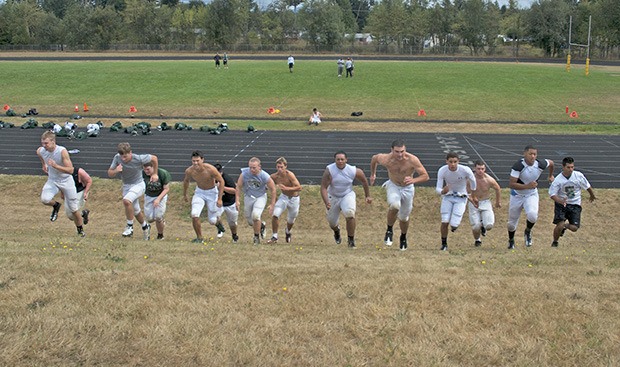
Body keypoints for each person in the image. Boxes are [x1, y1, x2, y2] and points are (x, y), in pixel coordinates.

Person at [370, 139, 429, 251]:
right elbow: (374, 159)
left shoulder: (412, 160)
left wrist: (413, 180)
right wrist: (373, 174)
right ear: (391, 150)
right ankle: (389, 229)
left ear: (405, 149)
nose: (400, 154)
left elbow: (425, 176)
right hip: (393, 185)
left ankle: (403, 236)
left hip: (408, 188)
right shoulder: (386, 159)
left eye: (402, 151)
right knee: (394, 205)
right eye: (397, 152)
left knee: (404, 218)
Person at [37, 131, 86, 237]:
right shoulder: (41, 151)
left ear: (53, 142)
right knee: (44, 199)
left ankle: (80, 230)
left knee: (73, 209)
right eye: (42, 143)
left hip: (66, 181)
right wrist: (43, 164)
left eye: (46, 143)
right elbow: (39, 153)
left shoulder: (62, 151)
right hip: (53, 180)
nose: (44, 146)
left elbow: (71, 170)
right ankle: (56, 205)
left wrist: (56, 166)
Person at [321, 151, 372, 248]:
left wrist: (367, 196)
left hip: (347, 194)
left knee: (350, 214)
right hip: (333, 196)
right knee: (332, 223)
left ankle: (351, 240)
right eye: (338, 159)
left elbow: (364, 181)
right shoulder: (329, 170)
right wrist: (326, 201)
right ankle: (336, 231)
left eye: (342, 159)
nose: (340, 161)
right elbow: (323, 187)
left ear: (346, 160)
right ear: (335, 160)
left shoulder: (353, 170)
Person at [507, 145, 554, 249]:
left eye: (535, 154)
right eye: (530, 154)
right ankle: (511, 240)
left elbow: (551, 163)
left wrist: (550, 175)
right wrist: (526, 186)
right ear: (524, 154)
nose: (532, 156)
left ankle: (527, 231)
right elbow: (511, 184)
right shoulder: (518, 166)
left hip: (531, 194)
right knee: (511, 223)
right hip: (517, 195)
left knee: (533, 216)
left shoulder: (540, 164)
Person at [108, 142, 158, 240]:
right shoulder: (117, 158)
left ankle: (129, 226)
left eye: (125, 156)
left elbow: (154, 158)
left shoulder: (138, 158)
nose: (123, 159)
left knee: (126, 201)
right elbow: (110, 173)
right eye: (122, 156)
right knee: (135, 211)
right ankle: (145, 226)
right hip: (127, 185)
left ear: (130, 152)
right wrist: (116, 171)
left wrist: (155, 174)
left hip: (138, 184)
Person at [549, 157, 596, 247]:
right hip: (561, 205)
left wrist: (592, 195)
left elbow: (587, 186)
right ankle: (555, 242)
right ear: (563, 167)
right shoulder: (558, 180)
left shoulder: (578, 176)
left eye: (572, 167)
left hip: (575, 204)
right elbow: (552, 194)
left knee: (574, 228)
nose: (571, 169)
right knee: (560, 224)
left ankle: (565, 227)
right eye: (568, 167)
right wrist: (560, 201)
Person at [436, 152, 477, 251]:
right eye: (450, 162)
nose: (453, 164)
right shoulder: (442, 170)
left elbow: (473, 181)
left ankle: (454, 226)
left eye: (455, 162)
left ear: (458, 161)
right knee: (445, 220)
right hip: (448, 197)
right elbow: (438, 188)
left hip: (461, 197)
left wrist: (472, 194)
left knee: (454, 223)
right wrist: (442, 191)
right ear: (447, 161)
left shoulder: (465, 170)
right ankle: (444, 243)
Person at [182, 151, 225, 243]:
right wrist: (185, 194)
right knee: (194, 214)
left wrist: (220, 198)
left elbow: (221, 181)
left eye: (197, 161)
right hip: (199, 192)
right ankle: (199, 238)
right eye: (193, 161)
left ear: (202, 160)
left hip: (212, 192)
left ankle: (218, 223)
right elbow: (186, 181)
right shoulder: (189, 171)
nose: (195, 163)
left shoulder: (210, 169)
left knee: (212, 221)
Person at [236, 157, 277, 245]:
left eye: (254, 168)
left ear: (259, 167)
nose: (252, 170)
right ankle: (261, 225)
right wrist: (237, 200)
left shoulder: (264, 176)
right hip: (248, 196)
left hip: (260, 197)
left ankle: (256, 237)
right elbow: (238, 186)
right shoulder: (244, 174)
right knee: (250, 221)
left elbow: (273, 189)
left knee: (256, 216)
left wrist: (272, 204)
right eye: (250, 167)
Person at [266, 157, 302, 244]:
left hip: (294, 198)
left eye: (281, 167)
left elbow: (299, 187)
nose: (280, 169)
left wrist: (287, 188)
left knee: (291, 220)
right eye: (278, 167)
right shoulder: (274, 176)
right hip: (284, 197)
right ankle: (274, 236)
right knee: (275, 214)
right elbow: (267, 185)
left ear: (285, 166)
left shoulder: (290, 175)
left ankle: (287, 231)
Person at [468, 160, 502, 247]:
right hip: (473, 203)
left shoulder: (489, 180)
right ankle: (477, 240)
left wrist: (498, 202)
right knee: (475, 226)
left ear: (485, 169)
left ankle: (483, 225)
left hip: (485, 202)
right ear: (475, 169)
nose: (480, 171)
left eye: (482, 169)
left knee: (489, 225)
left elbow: (497, 189)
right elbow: (465, 192)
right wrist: (471, 199)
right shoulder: (470, 179)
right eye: (478, 169)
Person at [143, 161, 171, 240]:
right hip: (149, 196)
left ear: (153, 167)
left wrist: (158, 199)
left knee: (158, 217)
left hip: (160, 195)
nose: (146, 171)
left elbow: (166, 189)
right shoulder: (143, 174)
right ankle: (161, 221)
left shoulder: (162, 173)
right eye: (144, 169)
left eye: (148, 169)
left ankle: (160, 235)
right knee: (150, 218)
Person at [213, 163, 239, 242]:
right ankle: (220, 228)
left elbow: (235, 191)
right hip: (218, 202)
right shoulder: (212, 178)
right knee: (214, 218)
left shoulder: (227, 178)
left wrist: (222, 187)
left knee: (232, 223)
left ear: (221, 172)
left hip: (230, 202)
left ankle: (234, 235)